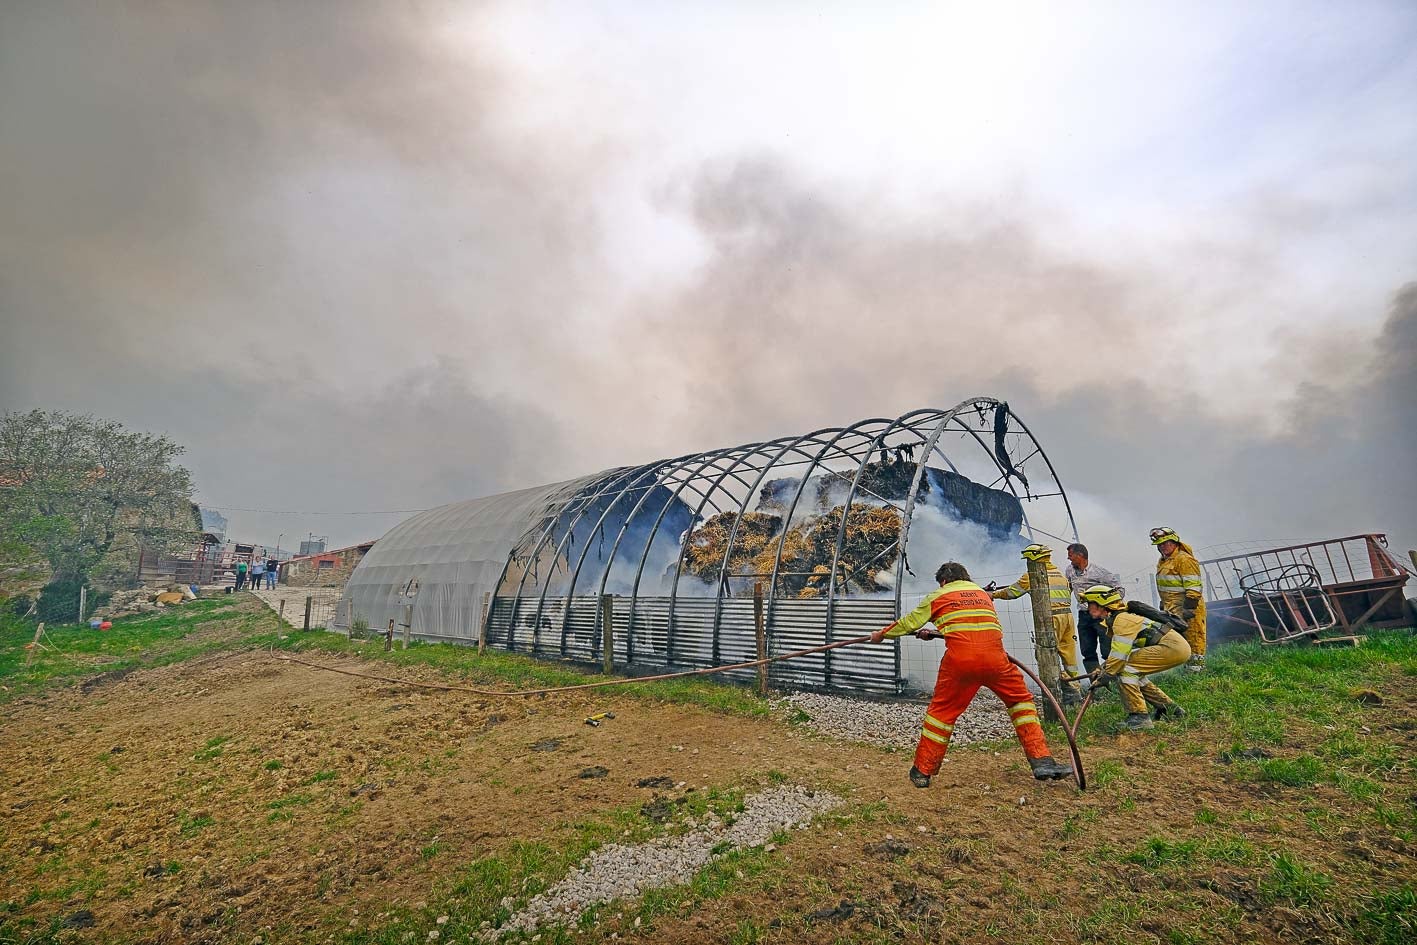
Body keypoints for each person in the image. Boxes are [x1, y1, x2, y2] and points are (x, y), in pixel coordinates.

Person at [870, 561, 1074, 786]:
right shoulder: (983, 594)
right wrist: (936, 632)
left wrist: (881, 634)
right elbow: (971, 624)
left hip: (961, 662)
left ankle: (922, 772)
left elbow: (909, 623)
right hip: (997, 660)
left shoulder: (939, 595)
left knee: (942, 714)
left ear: (944, 581)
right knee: (1021, 703)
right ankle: (1042, 760)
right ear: (966, 578)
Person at [1079, 584, 1190, 730]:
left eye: (1090, 604)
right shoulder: (1117, 620)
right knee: (1133, 671)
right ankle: (1170, 709)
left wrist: (1106, 675)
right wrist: (1103, 669)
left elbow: (1119, 656)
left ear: (1101, 604)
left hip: (1172, 648)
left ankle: (1139, 717)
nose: (1088, 609)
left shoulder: (1122, 621)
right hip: (1174, 646)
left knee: (1126, 671)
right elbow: (1118, 654)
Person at [989, 544, 1084, 705]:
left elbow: (1012, 592)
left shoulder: (1033, 574)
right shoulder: (1058, 572)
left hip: (1049, 619)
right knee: (1069, 656)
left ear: (1033, 558)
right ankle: (1075, 690)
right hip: (1067, 618)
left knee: (1045, 654)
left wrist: (993, 595)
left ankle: (1062, 692)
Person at [1150, 527, 1206, 671]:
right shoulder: (1163, 561)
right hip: (1171, 609)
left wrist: (1189, 609)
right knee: (1178, 641)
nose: (1162, 547)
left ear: (1174, 542)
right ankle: (1183, 669)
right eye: (1159, 545)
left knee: (1194, 638)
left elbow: (1193, 588)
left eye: (1165, 543)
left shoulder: (1185, 559)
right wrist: (1164, 605)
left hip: (1188, 608)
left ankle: (1197, 673)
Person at [1063, 543, 1123, 677]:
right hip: (1084, 615)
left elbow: (1119, 589)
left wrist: (1111, 606)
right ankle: (1095, 681)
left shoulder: (1099, 572)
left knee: (1107, 649)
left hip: (1101, 616)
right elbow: (1068, 588)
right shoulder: (1069, 571)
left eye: (1071, 555)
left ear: (1080, 555)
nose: (1069, 558)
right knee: (1087, 650)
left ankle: (1112, 679)